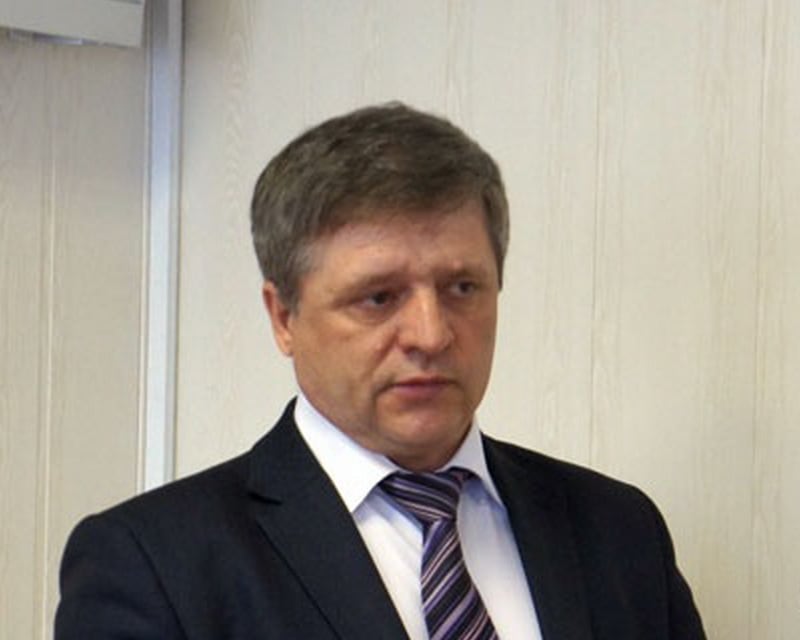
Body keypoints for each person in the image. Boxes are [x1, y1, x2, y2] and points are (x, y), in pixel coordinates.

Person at [55, 103, 706, 639]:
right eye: (378, 297)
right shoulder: (154, 565)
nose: (430, 334)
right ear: (283, 317)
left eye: (462, 288)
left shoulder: (618, 531)